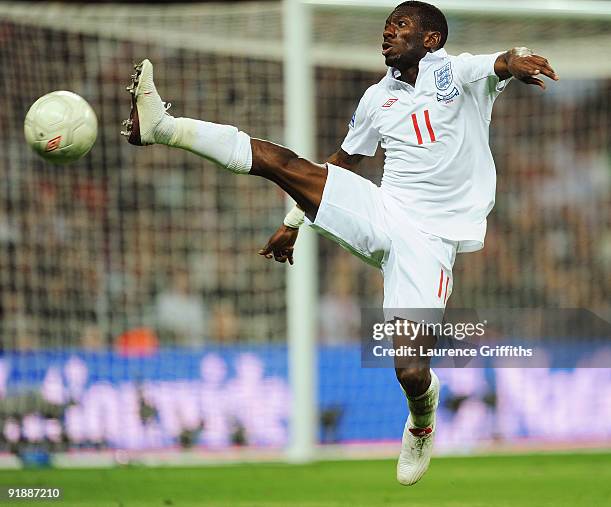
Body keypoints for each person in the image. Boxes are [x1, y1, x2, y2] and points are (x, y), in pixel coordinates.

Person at [121, 1, 558, 485]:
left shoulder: (457, 72)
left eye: (402, 25)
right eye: (387, 24)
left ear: (431, 39)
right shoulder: (376, 98)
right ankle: (164, 127)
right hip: (383, 211)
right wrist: (294, 221)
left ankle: (422, 417)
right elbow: (344, 162)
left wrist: (518, 60)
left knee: (411, 373)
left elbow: (500, 62)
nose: (389, 31)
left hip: (430, 240)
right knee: (283, 163)